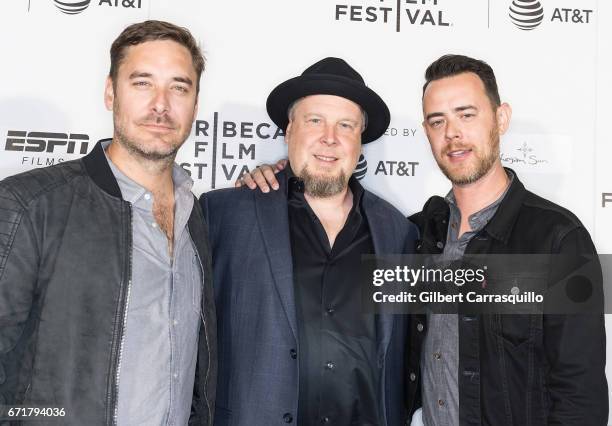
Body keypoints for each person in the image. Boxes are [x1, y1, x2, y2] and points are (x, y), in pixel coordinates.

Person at [237, 54, 608, 425]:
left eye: (466, 114)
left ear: (500, 118)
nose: (453, 133)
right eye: (437, 121)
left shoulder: (558, 239)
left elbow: (581, 396)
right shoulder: (415, 237)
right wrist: (280, 175)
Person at [0, 20, 216, 425]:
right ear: (110, 93)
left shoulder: (198, 216)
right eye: (142, 83)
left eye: (179, 87)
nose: (161, 105)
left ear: (195, 106)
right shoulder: (31, 205)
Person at [200, 57, 418, 425]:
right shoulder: (224, 214)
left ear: (360, 142)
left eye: (345, 125)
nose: (329, 138)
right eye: (315, 120)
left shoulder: (399, 233)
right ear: (288, 131)